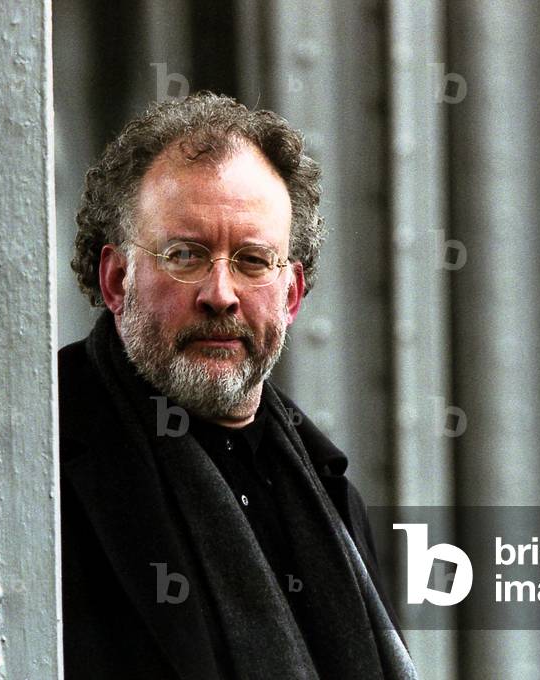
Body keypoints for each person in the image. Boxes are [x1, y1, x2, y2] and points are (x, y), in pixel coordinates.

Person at [58, 91, 415, 679]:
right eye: (186, 255)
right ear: (117, 278)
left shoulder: (328, 490)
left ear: (292, 296)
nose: (220, 295)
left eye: (252, 261)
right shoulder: (45, 454)